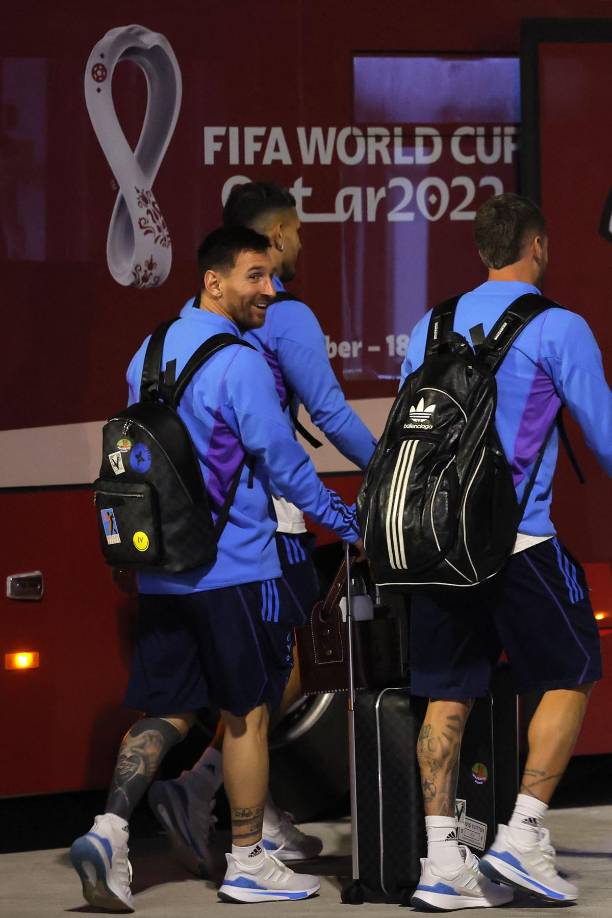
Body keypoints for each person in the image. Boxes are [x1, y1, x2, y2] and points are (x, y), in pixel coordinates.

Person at [70, 226, 363, 910]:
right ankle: (247, 860)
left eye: (274, 276)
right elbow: (283, 464)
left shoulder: (148, 353)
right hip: (236, 571)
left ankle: (108, 829)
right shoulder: (240, 365)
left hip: (162, 569)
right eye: (257, 276)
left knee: (167, 708)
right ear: (213, 281)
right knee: (246, 716)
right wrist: (345, 521)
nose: (272, 289)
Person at [147, 181, 376, 873]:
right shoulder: (285, 316)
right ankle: (210, 791)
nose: (302, 244)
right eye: (296, 231)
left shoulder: (191, 323)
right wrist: (394, 472)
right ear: (271, 239)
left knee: (247, 674)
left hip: (195, 532)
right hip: (270, 521)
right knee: (279, 669)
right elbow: (328, 416)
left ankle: (259, 815)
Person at [403, 193, 612, 911]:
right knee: (575, 666)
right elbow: (606, 439)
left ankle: (441, 865)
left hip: (433, 545)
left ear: (482, 249)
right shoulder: (560, 327)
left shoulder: (429, 325)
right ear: (540, 247)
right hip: (518, 541)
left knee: (447, 693)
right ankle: (522, 836)